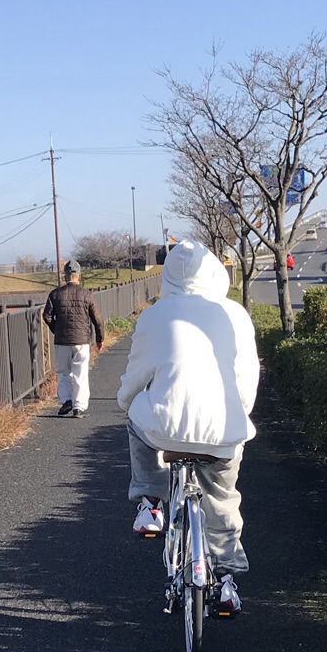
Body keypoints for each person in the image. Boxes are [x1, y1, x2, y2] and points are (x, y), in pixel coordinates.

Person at [117, 239, 259, 615]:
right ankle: (226, 580)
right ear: (214, 272)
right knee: (222, 501)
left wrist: (124, 402)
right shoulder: (234, 314)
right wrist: (240, 412)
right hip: (224, 431)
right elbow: (248, 377)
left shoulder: (154, 315)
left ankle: (151, 504)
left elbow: (136, 375)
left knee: (136, 417)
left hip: (164, 429)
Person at [42, 260, 105, 417]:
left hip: (62, 341)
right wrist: (100, 338)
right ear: (79, 276)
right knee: (80, 374)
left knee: (63, 372)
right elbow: (97, 319)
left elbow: (47, 316)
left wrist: (57, 329)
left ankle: (66, 400)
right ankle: (79, 407)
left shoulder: (55, 294)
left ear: (65, 276)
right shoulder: (87, 294)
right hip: (81, 341)